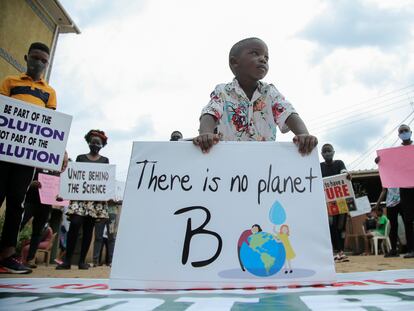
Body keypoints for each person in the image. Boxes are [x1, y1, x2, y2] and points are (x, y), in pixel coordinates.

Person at [192, 37, 317, 155]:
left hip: (264, 162)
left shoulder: (270, 92)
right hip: (230, 161)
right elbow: (210, 113)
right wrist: (206, 134)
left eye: (266, 58)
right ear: (234, 62)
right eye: (255, 53)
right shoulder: (223, 91)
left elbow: (288, 113)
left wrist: (304, 134)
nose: (263, 59)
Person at [0, 42, 57, 274]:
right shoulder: (10, 83)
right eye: (35, 58)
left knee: (16, 202)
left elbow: (51, 126)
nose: (39, 63)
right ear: (26, 57)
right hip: (3, 153)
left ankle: (7, 255)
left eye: (44, 60)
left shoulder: (49, 92)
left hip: (26, 159)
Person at [56, 130, 110, 270]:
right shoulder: (80, 158)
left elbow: (106, 180)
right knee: (75, 224)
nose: (95, 144)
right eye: (93, 141)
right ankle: (67, 260)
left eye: (98, 142)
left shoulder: (105, 161)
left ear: (102, 145)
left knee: (88, 229)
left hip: (95, 201)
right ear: (88, 142)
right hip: (79, 200)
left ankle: (81, 261)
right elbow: (73, 177)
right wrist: (64, 192)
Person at [376, 124, 414, 258]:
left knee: (409, 222)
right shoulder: (396, 153)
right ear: (398, 135)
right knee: (398, 224)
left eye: (405, 131)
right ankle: (398, 250)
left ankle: (411, 249)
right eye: (401, 131)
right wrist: (380, 161)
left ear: (410, 132)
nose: (404, 133)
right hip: (397, 196)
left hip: (410, 191)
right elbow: (384, 185)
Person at [320, 143, 351, 262]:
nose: (327, 153)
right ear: (322, 154)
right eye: (325, 151)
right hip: (328, 203)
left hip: (341, 200)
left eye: (329, 151)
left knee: (341, 227)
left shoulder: (339, 163)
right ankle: (336, 251)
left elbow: (344, 172)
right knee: (332, 227)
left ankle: (341, 251)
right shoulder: (319, 166)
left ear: (333, 152)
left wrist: (346, 175)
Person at [374, 188, 402, 257]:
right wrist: (377, 205)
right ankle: (394, 250)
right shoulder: (386, 177)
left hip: (397, 202)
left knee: (396, 227)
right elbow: (384, 190)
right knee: (395, 227)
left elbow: (383, 191)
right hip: (393, 202)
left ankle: (395, 250)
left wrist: (377, 205)